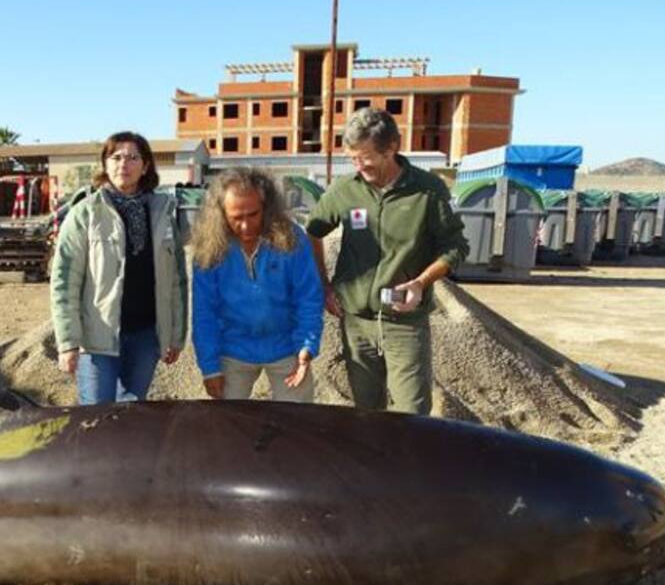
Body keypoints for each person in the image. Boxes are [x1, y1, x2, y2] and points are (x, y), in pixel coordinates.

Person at [305, 108, 468, 415]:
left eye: (364, 158)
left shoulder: (427, 192)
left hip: (405, 324)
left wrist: (421, 283)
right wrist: (324, 285)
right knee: (366, 412)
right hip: (355, 322)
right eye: (352, 158)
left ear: (392, 146)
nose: (358, 166)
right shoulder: (345, 189)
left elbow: (456, 247)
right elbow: (312, 232)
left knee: (412, 413)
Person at [50, 131, 188, 404]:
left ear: (145, 166)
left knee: (131, 417)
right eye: (116, 156)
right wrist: (68, 342)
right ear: (105, 163)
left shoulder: (162, 213)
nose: (123, 163)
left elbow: (177, 280)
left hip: (146, 335)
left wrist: (175, 336)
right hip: (96, 339)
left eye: (133, 157)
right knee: (95, 416)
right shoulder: (85, 214)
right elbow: (65, 280)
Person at [190, 167, 324, 402]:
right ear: (221, 214)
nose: (245, 226)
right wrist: (210, 367)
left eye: (253, 214)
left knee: (298, 423)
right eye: (236, 218)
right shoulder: (208, 249)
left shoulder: (292, 238)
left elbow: (308, 297)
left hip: (287, 347)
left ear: (267, 208)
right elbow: (204, 312)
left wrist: (306, 347)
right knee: (227, 424)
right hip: (232, 350)